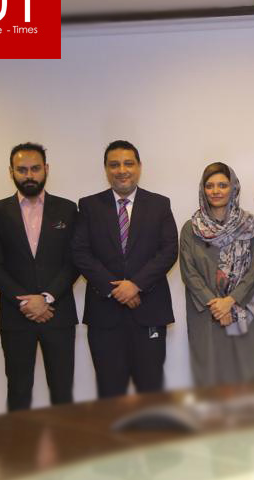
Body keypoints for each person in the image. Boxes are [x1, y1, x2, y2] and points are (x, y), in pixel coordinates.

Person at [72, 140, 178, 398]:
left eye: (128, 163)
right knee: (110, 392)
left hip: (149, 311)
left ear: (139, 166)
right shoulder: (89, 206)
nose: (122, 170)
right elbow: (80, 252)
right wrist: (116, 289)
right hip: (105, 316)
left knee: (151, 391)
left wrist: (136, 285)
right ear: (106, 169)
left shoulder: (159, 204)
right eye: (114, 165)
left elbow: (169, 251)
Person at [0, 143, 80, 411]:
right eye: (22, 169)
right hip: (16, 317)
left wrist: (47, 298)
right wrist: (26, 302)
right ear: (11, 172)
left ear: (46, 169)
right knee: (18, 391)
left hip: (58, 314)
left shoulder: (67, 209)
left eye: (35, 168)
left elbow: (74, 262)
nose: (29, 175)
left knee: (62, 390)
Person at [180, 162, 254, 386]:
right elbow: (189, 272)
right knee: (209, 379)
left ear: (233, 188)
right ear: (203, 190)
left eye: (222, 185)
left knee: (246, 377)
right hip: (205, 313)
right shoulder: (190, 228)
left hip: (244, 309)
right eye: (209, 186)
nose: (215, 191)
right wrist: (216, 305)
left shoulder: (251, 226)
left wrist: (230, 301)